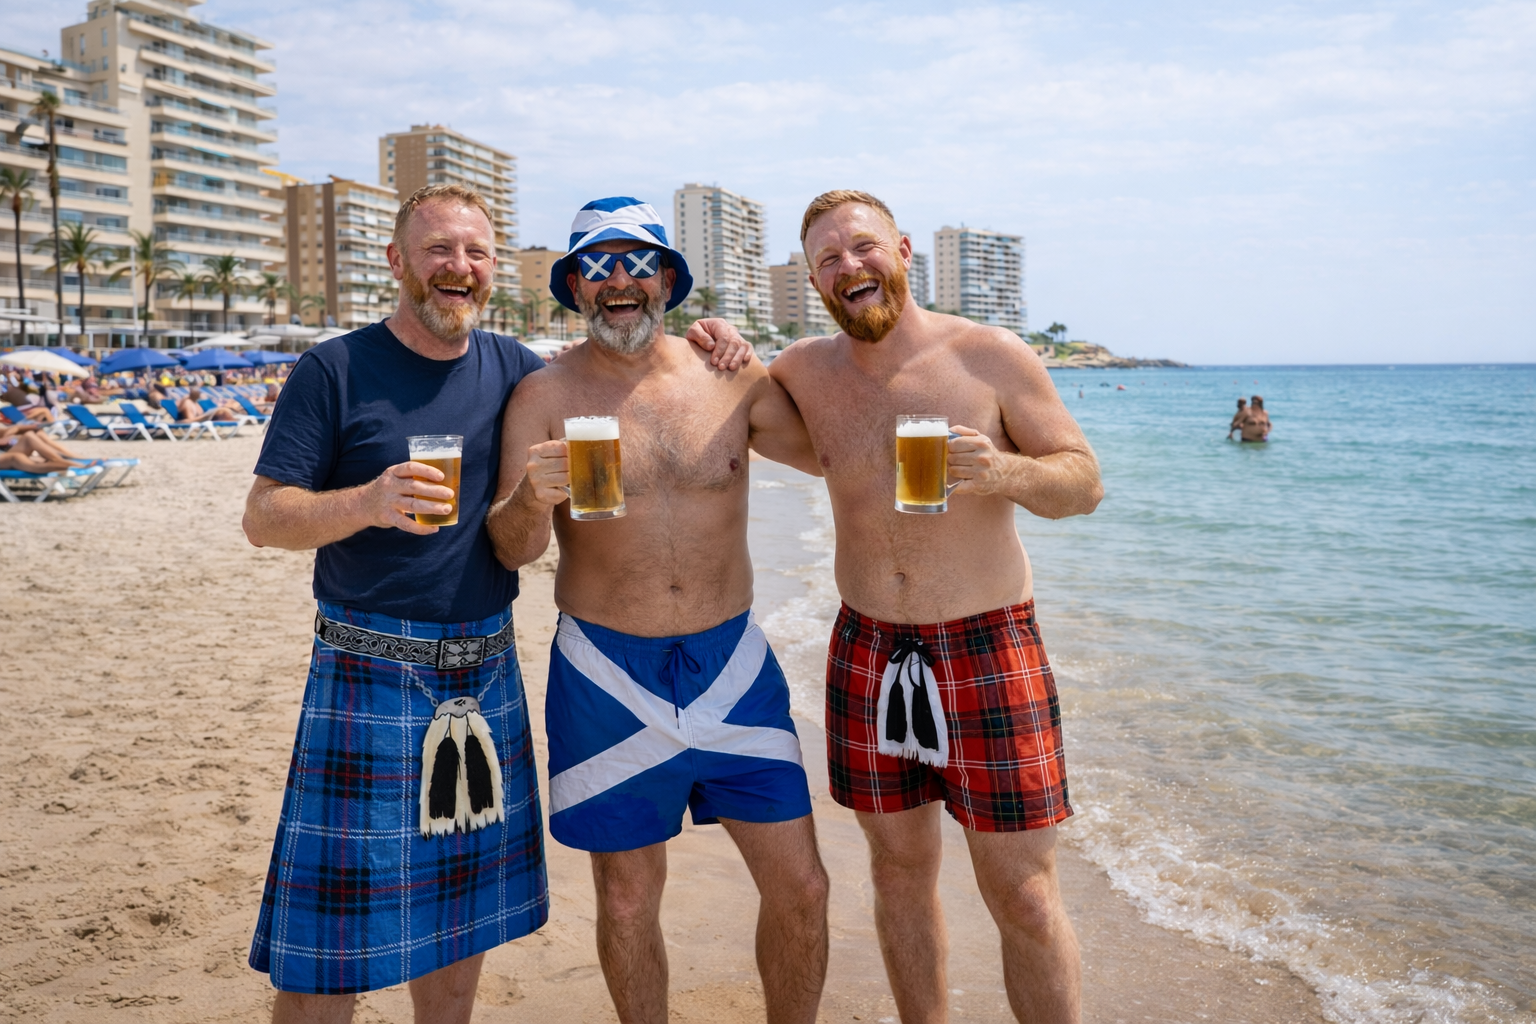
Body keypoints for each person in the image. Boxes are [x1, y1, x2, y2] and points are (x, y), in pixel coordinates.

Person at [240, 184, 752, 1024]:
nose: (460, 267)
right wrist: (366, 501)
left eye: (475, 253)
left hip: (482, 671)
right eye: (439, 250)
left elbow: (614, 356)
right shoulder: (334, 368)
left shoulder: (517, 370)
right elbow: (265, 517)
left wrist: (711, 339)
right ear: (399, 261)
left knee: (458, 924)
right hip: (368, 668)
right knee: (326, 946)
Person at [487, 197, 831, 1024]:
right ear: (573, 286)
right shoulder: (543, 394)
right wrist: (532, 500)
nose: (619, 281)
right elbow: (511, 549)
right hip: (606, 673)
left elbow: (836, 459)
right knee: (631, 899)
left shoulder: (731, 377)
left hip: (733, 666)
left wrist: (781, 360)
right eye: (596, 266)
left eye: (637, 264)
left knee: (803, 885)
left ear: (668, 281)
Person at [763, 190, 1103, 1024]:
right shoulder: (805, 373)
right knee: (898, 873)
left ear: (904, 250)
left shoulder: (988, 355)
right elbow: (739, 419)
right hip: (869, 648)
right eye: (830, 259)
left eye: (864, 247)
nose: (852, 267)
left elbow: (1083, 482)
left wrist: (1006, 472)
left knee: (1021, 891)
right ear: (814, 280)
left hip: (988, 646)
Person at [176, 386, 243, 423]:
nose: (199, 392)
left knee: (225, 409)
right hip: (194, 422)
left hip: (202, 419)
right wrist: (205, 417)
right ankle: (233, 419)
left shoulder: (194, 402)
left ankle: (233, 418)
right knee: (223, 410)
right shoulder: (188, 403)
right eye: (196, 390)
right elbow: (190, 420)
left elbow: (199, 414)